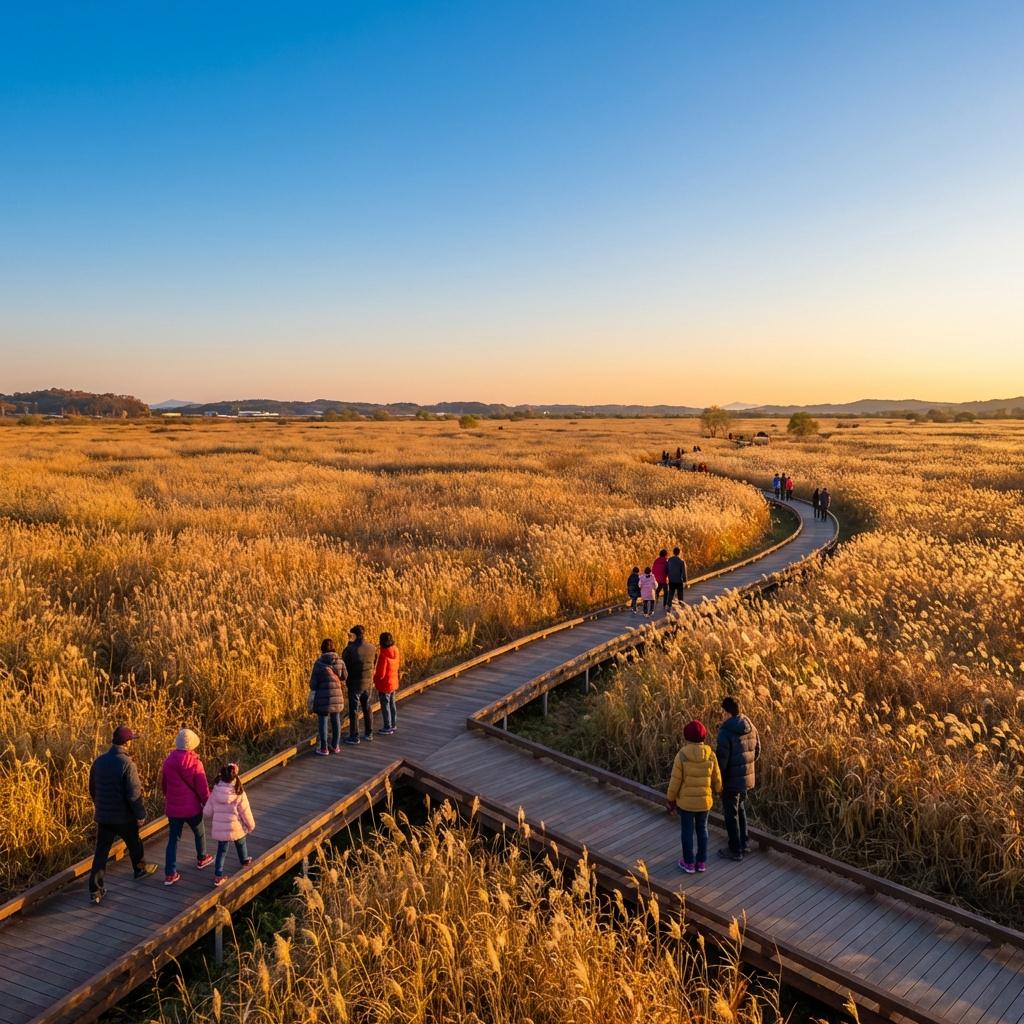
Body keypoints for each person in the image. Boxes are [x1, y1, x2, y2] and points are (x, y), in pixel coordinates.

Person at [88, 725, 157, 905]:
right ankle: (139, 870)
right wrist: (140, 814)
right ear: (127, 743)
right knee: (134, 843)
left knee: (101, 852)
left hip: (104, 817)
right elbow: (134, 794)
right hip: (124, 816)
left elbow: (92, 788)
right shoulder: (127, 764)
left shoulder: (99, 761)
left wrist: (100, 805)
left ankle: (95, 889)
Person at [666, 720, 722, 873]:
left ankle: (689, 862)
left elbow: (675, 781)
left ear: (687, 736)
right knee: (703, 830)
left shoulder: (682, 755)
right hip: (704, 802)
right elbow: (717, 777)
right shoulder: (711, 754)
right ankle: (701, 862)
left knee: (687, 832)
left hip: (686, 803)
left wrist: (670, 799)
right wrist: (719, 789)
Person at [161, 728, 213, 885]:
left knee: (173, 840)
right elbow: (202, 788)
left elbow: (164, 785)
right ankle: (202, 858)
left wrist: (169, 797)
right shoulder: (195, 763)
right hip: (192, 808)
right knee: (200, 833)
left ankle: (170, 873)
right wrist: (207, 803)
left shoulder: (168, 762)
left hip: (174, 808)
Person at [715, 696, 761, 861]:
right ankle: (744, 842)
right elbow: (757, 751)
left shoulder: (725, 732)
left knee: (731, 814)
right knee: (740, 809)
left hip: (731, 781)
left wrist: (718, 781)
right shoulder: (751, 726)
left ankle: (735, 849)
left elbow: (721, 761)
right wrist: (746, 768)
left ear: (726, 711)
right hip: (746, 779)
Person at [204, 763, 256, 886]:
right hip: (236, 826)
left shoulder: (215, 790)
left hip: (221, 828)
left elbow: (207, 811)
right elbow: (245, 812)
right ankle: (244, 860)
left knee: (221, 851)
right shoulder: (238, 792)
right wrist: (251, 825)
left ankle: (218, 875)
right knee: (241, 841)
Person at [310, 638, 348, 755]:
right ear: (333, 648)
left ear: (322, 649)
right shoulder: (340, 661)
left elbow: (313, 684)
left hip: (323, 697)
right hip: (337, 695)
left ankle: (324, 748)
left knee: (323, 721)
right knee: (336, 720)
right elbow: (345, 676)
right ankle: (336, 746)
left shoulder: (318, 663)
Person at [342, 625, 377, 744]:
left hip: (354, 683)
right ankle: (369, 733)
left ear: (354, 635)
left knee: (354, 710)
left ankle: (354, 736)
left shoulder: (350, 650)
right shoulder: (372, 648)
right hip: (368, 683)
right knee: (367, 707)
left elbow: (344, 666)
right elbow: (374, 662)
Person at [373, 632, 400, 735]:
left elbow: (380, 674)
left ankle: (387, 726)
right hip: (393, 681)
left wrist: (374, 679)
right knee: (392, 703)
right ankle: (393, 724)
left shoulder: (383, 655)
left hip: (385, 684)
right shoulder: (396, 650)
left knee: (385, 705)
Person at [665, 547, 687, 612]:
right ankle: (681, 606)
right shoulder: (681, 561)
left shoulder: (669, 560)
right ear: (679, 553)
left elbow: (667, 569)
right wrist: (685, 580)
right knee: (680, 594)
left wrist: (668, 576)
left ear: (673, 552)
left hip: (671, 580)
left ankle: (668, 606)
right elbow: (683, 572)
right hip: (679, 580)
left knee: (670, 594)